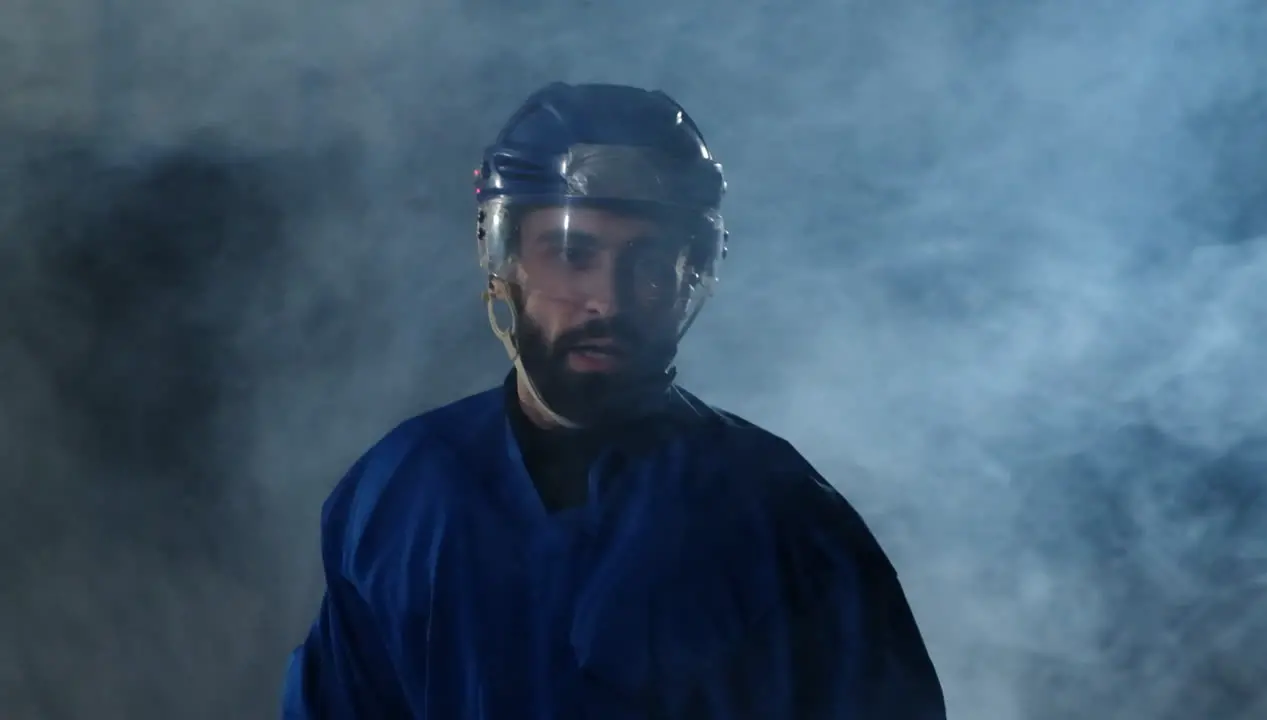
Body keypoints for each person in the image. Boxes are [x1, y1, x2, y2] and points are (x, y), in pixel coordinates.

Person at [280, 81, 947, 719]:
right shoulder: (399, 495)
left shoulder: (786, 521)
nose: (609, 299)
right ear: (504, 258)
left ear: (693, 276)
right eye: (572, 254)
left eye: (649, 263)